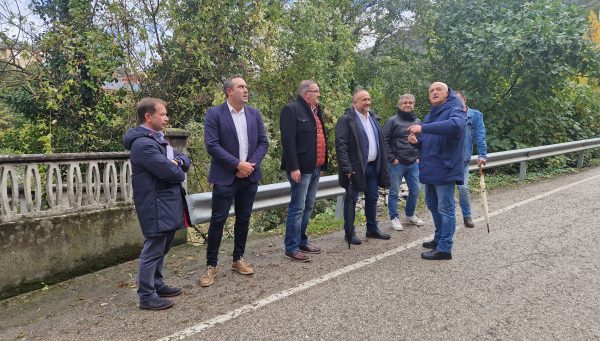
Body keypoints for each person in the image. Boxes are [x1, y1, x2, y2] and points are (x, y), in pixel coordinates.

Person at [199, 76, 269, 287]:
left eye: (246, 86)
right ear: (229, 91)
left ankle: (238, 259)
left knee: (244, 219)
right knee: (218, 221)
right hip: (225, 177)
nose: (246, 90)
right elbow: (212, 145)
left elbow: (263, 142)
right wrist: (237, 165)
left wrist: (250, 165)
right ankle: (211, 266)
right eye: (241, 87)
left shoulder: (254, 114)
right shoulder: (215, 114)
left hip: (250, 176)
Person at [124, 97, 191, 310]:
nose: (166, 118)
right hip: (154, 204)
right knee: (153, 248)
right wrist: (176, 166)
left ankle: (157, 283)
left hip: (166, 202)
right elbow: (173, 173)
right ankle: (146, 294)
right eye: (162, 114)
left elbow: (183, 160)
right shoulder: (143, 144)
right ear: (148, 116)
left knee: (163, 246)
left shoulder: (158, 138)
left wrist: (177, 162)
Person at [408, 82, 465, 260]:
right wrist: (418, 142)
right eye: (431, 90)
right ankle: (439, 237)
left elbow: (455, 127)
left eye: (438, 89)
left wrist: (423, 128)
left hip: (445, 168)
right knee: (432, 205)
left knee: (445, 208)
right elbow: (429, 141)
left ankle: (445, 248)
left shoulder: (455, 109)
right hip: (430, 168)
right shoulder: (430, 115)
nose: (434, 92)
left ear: (447, 93)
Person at [280, 80, 327, 262]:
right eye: (316, 91)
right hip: (300, 169)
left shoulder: (316, 111)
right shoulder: (291, 110)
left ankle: (301, 240)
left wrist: (322, 165)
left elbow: (320, 138)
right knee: (298, 207)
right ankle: (291, 247)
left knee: (308, 206)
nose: (319, 95)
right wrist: (294, 167)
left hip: (315, 167)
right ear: (306, 93)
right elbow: (288, 141)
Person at [335, 89, 391, 245]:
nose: (367, 102)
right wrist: (346, 167)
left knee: (372, 198)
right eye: (363, 100)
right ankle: (349, 232)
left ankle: (372, 229)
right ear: (354, 103)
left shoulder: (373, 118)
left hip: (373, 167)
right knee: (352, 200)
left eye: (369, 99)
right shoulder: (346, 120)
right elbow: (341, 146)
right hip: (355, 169)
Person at [382, 93, 424, 231]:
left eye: (410, 102)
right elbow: (384, 140)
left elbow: (422, 140)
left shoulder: (418, 121)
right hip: (397, 163)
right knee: (394, 192)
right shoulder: (392, 121)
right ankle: (394, 218)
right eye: (405, 103)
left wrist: (419, 156)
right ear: (399, 105)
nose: (407, 105)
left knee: (416, 190)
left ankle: (409, 214)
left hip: (413, 162)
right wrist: (392, 158)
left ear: (413, 105)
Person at [455, 90, 487, 228]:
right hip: (447, 161)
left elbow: (480, 135)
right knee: (447, 192)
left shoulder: (475, 115)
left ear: (465, 99)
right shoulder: (448, 115)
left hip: (463, 160)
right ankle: (447, 220)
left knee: (463, 188)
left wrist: (482, 154)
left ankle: (467, 215)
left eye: (458, 100)